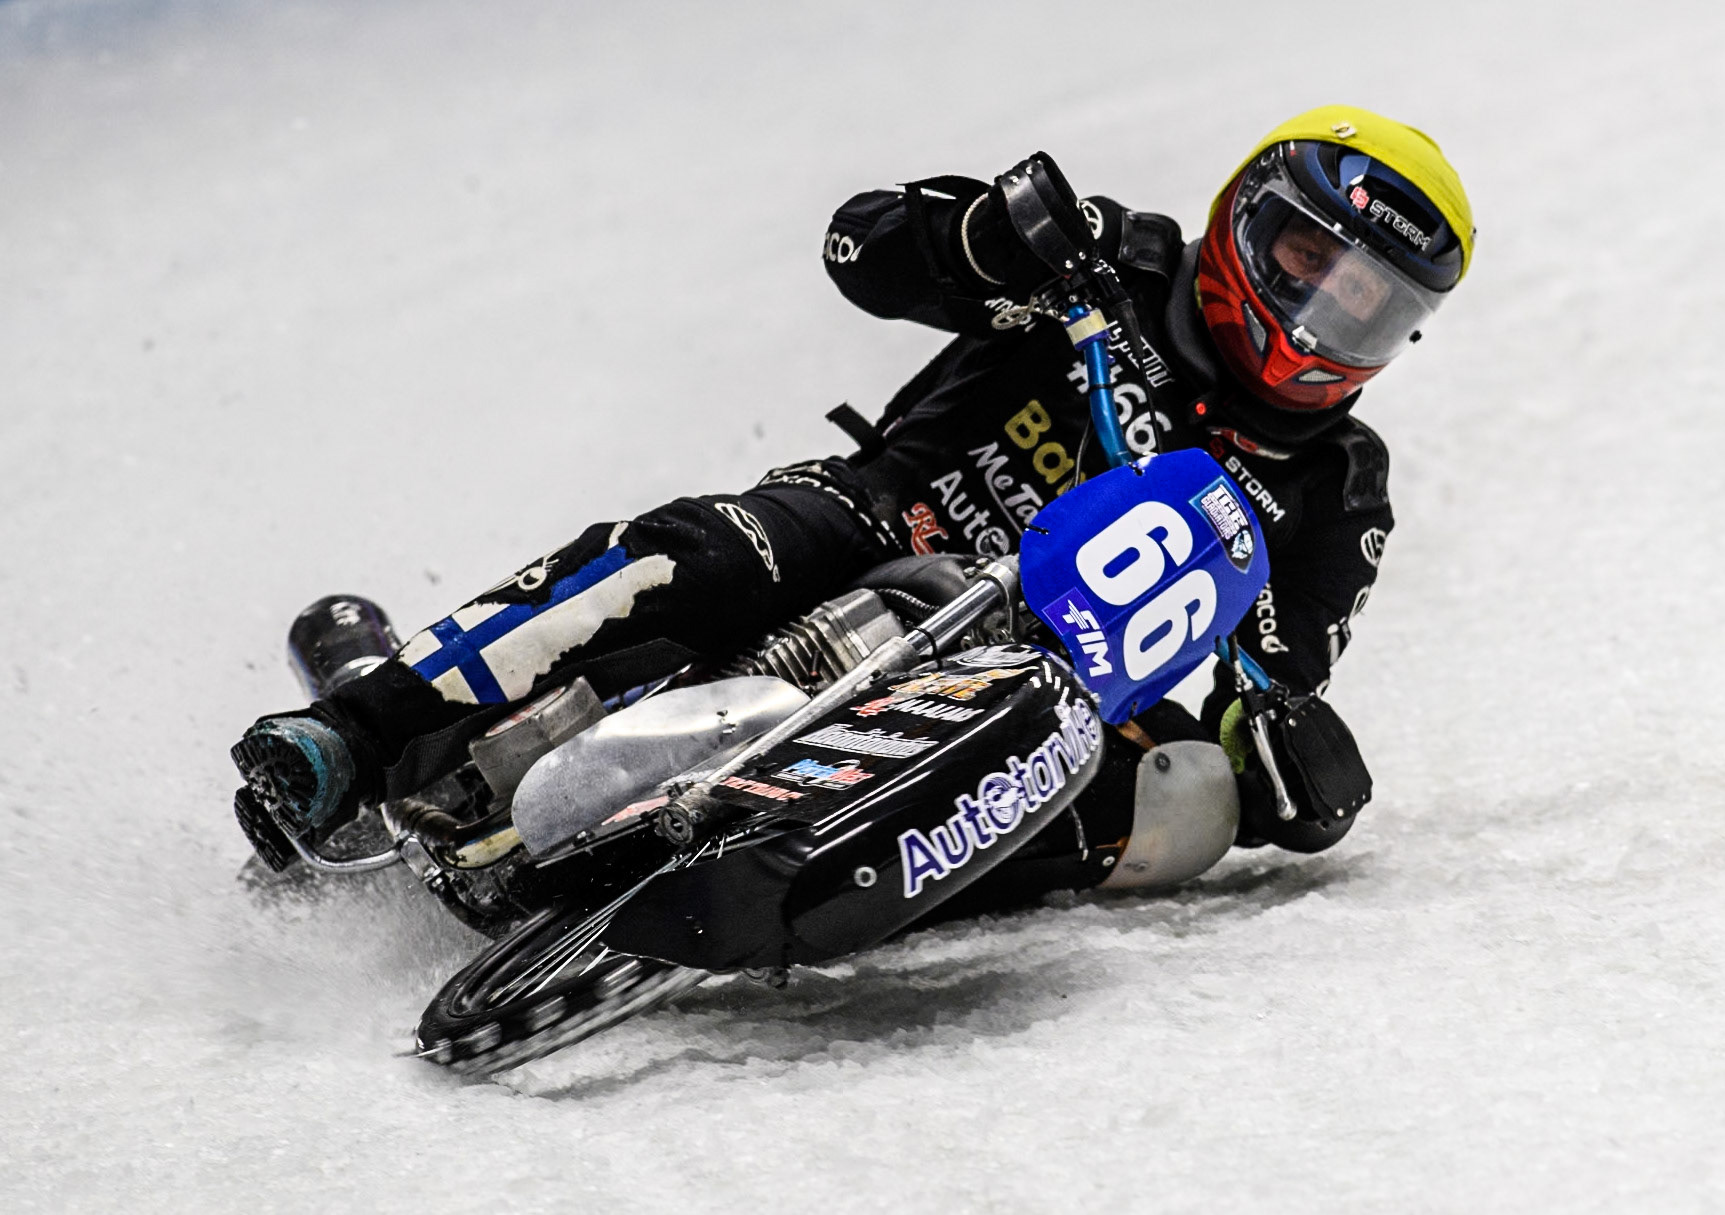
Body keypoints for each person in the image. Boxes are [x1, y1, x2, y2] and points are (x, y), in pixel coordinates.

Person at [232, 104, 1474, 903]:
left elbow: (1277, 674)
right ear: (1244, 223)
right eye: (1308, 263)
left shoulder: (1336, 486)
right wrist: (984, 240)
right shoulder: (1116, 255)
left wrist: (1293, 760)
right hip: (883, 523)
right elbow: (859, 248)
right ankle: (357, 733)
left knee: (1188, 790)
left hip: (1037, 692)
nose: (1320, 313)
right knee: (696, 554)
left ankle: (816, 885)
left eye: (1365, 303)